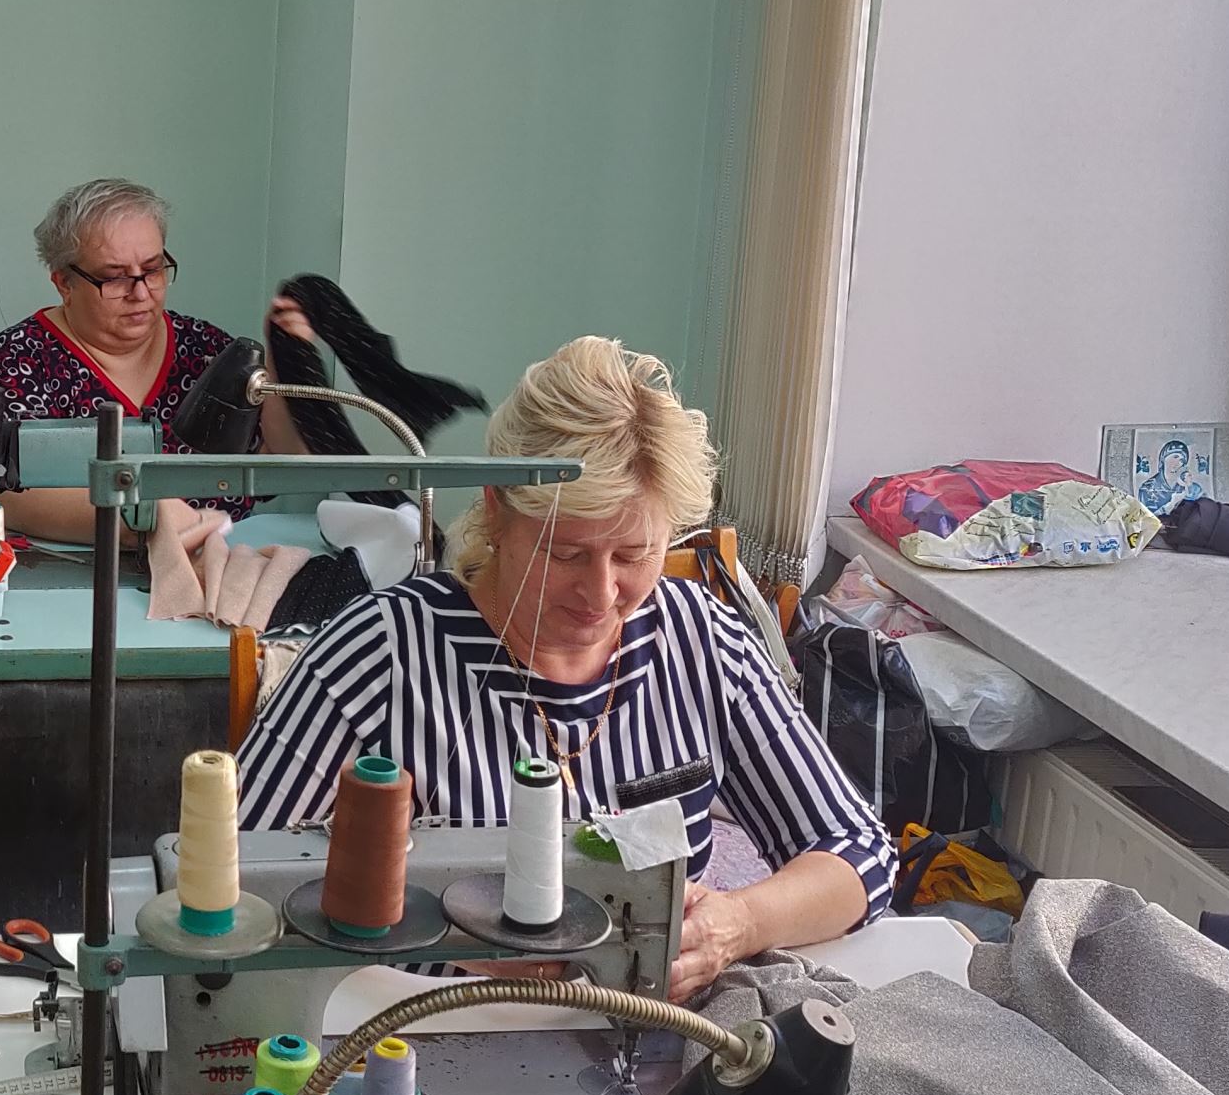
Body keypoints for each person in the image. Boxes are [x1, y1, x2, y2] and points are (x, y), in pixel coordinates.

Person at [236, 335, 892, 1000]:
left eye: (633, 555)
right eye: (566, 554)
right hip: (432, 1027)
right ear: (498, 509)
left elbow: (858, 850)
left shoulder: (703, 642)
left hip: (650, 1027)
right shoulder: (380, 654)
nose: (600, 594)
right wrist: (452, 949)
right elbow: (233, 881)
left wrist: (737, 923)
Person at [0, 178, 319, 544]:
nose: (140, 293)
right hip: (81, 569)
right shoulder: (20, 360)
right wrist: (141, 522)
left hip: (221, 559)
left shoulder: (206, 350)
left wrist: (286, 361)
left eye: (153, 270)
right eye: (114, 278)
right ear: (64, 283)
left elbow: (279, 458)